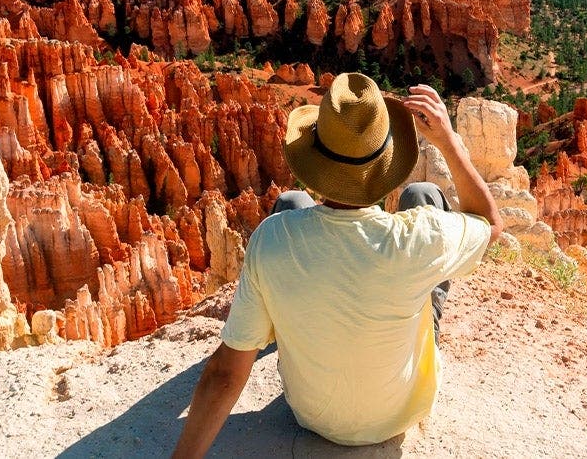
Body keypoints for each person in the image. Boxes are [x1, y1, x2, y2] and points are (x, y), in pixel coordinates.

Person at [171, 74, 504, 456]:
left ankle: (289, 328)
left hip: (313, 416)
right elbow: (491, 225)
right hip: (399, 412)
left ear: (316, 160)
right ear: (386, 163)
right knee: (423, 194)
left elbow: (225, 376)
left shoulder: (271, 239)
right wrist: (448, 141)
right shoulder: (420, 238)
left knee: (292, 204)